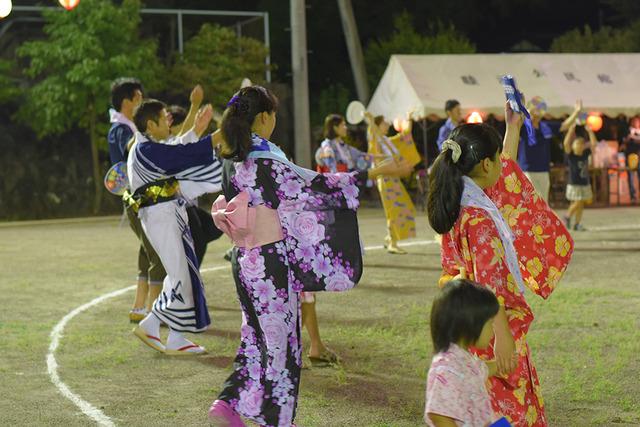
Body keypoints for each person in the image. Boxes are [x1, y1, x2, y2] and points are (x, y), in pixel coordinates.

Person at [207, 86, 402, 427]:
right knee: (282, 342)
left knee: (254, 335)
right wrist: (372, 174)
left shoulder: (231, 156)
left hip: (244, 260)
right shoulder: (265, 157)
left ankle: (230, 401)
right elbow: (314, 187)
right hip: (269, 262)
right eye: (274, 116)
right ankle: (278, 420)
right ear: (264, 118)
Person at [427, 102, 574, 426]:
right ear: (484, 164)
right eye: (497, 160)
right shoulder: (480, 219)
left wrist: (513, 127)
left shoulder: (460, 201)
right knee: (512, 407)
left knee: (484, 406)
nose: (504, 166)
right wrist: (504, 334)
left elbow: (500, 170)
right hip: (493, 325)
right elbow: (492, 283)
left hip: (470, 325)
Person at [129, 99, 222, 355]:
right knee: (181, 275)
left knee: (180, 275)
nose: (169, 122)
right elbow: (176, 156)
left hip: (166, 214)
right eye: (164, 118)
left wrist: (198, 133)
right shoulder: (145, 150)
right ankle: (172, 335)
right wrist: (216, 138)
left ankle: (158, 327)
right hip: (161, 216)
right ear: (151, 124)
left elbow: (175, 151)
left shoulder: (148, 147)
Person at [108, 77, 166, 322]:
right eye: (139, 98)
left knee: (146, 252)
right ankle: (154, 312)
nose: (143, 102)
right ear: (127, 102)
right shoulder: (122, 130)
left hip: (136, 199)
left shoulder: (121, 128)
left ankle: (139, 306)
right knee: (157, 254)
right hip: (140, 200)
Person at [425, 279, 503, 427]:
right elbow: (439, 415)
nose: (492, 330)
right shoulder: (446, 369)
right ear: (471, 323)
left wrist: (501, 365)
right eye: (490, 323)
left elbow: (479, 369)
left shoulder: (461, 357)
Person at [166, 102, 224, 266]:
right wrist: (194, 105)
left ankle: (190, 269)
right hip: (180, 207)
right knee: (198, 243)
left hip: (190, 206)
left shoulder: (185, 142)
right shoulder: (169, 143)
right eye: (184, 123)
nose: (188, 125)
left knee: (212, 228)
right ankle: (190, 272)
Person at [366, 113, 417, 254]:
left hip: (393, 178)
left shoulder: (388, 141)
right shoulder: (377, 142)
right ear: (377, 125)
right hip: (385, 177)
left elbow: (405, 135)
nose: (388, 125)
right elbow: (372, 136)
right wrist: (371, 121)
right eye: (384, 123)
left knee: (403, 206)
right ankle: (392, 242)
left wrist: (409, 119)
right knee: (393, 210)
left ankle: (390, 238)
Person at [517, 97, 581, 202]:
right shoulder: (524, 126)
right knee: (529, 202)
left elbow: (564, 125)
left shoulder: (545, 126)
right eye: (534, 109)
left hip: (543, 171)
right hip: (527, 171)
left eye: (539, 109)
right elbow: (516, 120)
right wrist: (524, 110)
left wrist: (576, 112)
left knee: (543, 202)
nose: (536, 112)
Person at [563, 123, 595, 231]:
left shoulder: (585, 154)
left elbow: (594, 144)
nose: (579, 146)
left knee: (580, 204)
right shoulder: (571, 155)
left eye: (581, 144)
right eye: (577, 144)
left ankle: (577, 224)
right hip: (574, 183)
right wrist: (571, 130)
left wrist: (590, 132)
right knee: (578, 201)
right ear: (573, 146)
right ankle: (567, 216)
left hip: (584, 182)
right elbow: (566, 143)